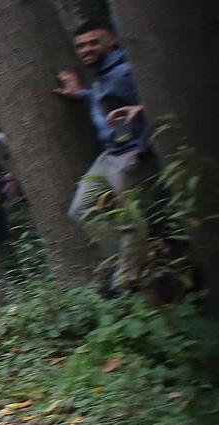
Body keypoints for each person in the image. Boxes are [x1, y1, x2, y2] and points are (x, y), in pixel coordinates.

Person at [55, 18, 152, 290]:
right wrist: (81, 94)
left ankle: (129, 279)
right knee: (82, 209)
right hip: (109, 153)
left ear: (112, 41)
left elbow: (159, 93)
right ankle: (119, 262)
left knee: (130, 216)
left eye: (94, 43)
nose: (87, 49)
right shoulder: (101, 74)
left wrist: (144, 108)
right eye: (81, 45)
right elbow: (107, 99)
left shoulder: (126, 70)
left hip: (130, 152)